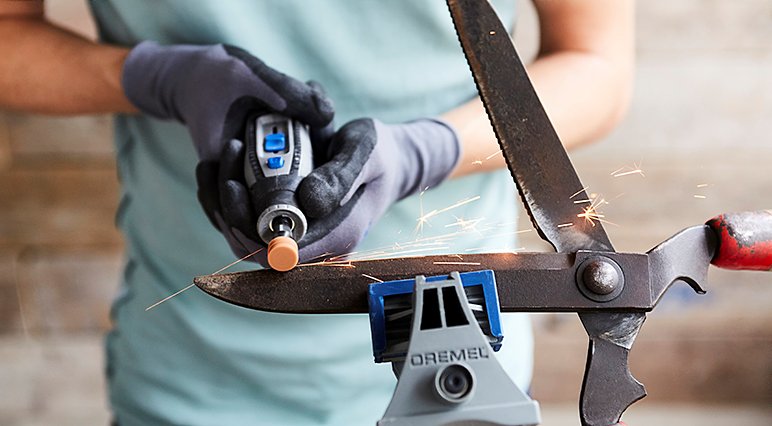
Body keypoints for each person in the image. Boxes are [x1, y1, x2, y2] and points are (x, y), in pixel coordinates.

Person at [0, 0, 634, 424]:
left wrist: (429, 150)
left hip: (465, 383)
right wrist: (155, 77)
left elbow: (596, 65)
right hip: (190, 381)